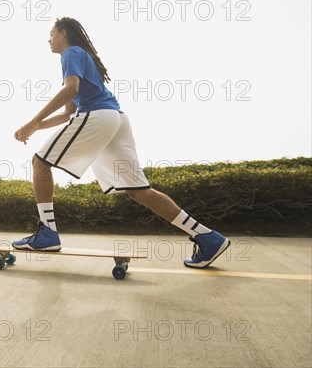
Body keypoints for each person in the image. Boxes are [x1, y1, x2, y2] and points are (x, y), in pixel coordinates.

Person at [12, 17, 230, 268]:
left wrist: (33, 120)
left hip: (98, 117)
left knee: (40, 163)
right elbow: (69, 113)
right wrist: (34, 127)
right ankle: (207, 236)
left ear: (63, 33)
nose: (48, 40)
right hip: (116, 120)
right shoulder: (84, 57)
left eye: (51, 34)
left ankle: (47, 233)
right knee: (139, 191)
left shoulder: (71, 53)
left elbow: (70, 89)